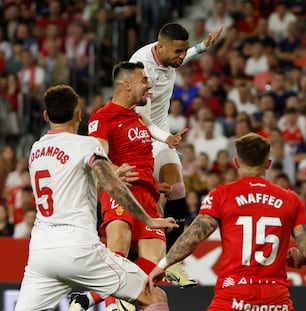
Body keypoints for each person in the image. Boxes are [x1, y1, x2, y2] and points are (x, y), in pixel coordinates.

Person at [14, 84, 178, 311]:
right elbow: (111, 185)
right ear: (79, 114)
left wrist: (109, 174)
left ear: (45, 116)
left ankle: (88, 299)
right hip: (79, 248)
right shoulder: (86, 144)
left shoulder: (35, 149)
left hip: (41, 254)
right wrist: (149, 220)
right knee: (156, 296)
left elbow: (69, 182)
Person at [145, 133, 306, 310]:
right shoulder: (291, 200)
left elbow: (192, 238)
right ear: (268, 164)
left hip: (233, 297)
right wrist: (298, 257)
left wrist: (163, 265)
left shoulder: (222, 196)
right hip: (275, 300)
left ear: (236, 163)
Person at [71, 61, 187, 311]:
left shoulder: (139, 119)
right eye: (144, 80)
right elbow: (98, 155)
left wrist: (156, 184)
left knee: (151, 274)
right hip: (120, 194)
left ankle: (87, 298)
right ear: (127, 85)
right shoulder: (103, 117)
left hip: (149, 199)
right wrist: (114, 171)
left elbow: (140, 157)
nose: (149, 85)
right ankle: (107, 304)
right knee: (119, 255)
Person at [129, 22, 222, 282]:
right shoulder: (141, 68)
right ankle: (129, 267)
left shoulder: (170, 58)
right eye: (178, 51)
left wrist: (201, 48)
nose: (182, 56)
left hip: (160, 136)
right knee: (138, 203)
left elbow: (184, 56)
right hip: (137, 140)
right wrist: (167, 138)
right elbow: (142, 121)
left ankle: (170, 260)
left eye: (184, 50)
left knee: (178, 189)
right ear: (160, 47)